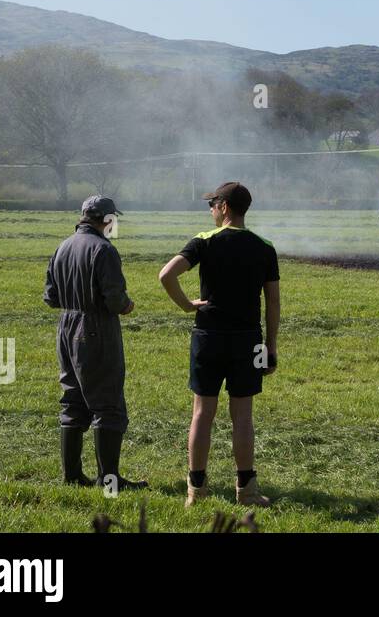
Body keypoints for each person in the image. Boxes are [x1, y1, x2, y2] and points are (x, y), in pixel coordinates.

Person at [158, 182, 280, 508]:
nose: (210, 210)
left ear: (224, 207)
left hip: (208, 337)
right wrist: (270, 346)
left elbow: (166, 275)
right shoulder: (264, 247)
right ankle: (247, 490)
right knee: (243, 417)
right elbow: (273, 303)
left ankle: (195, 490)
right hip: (249, 341)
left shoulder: (203, 242)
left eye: (212, 204)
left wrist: (186, 305)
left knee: (202, 414)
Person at [44, 194, 147, 492]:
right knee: (108, 404)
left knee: (73, 399)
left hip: (66, 328)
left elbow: (50, 297)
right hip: (95, 328)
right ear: (107, 219)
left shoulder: (62, 246)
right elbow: (114, 299)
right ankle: (109, 480)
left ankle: (73, 476)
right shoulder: (104, 249)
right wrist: (126, 305)